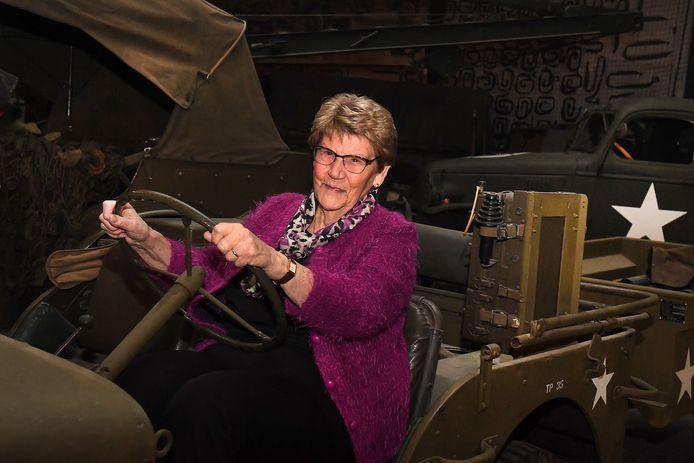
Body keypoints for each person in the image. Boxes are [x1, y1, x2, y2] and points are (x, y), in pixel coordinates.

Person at [99, 93, 418, 463]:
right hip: (247, 355)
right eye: (327, 153)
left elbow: (360, 309)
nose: (335, 172)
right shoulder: (280, 208)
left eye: (355, 161)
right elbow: (207, 270)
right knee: (141, 381)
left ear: (380, 173)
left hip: (328, 394)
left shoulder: (392, 236)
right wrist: (145, 238)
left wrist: (276, 262)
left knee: (205, 405)